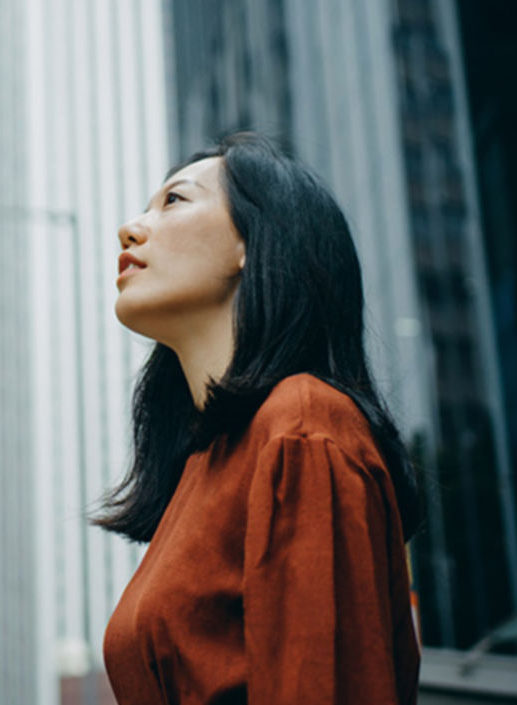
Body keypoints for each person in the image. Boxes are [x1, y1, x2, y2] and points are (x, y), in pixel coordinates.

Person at [98, 133, 424, 704]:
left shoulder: (303, 425)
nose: (131, 228)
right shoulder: (201, 467)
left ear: (253, 241)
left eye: (173, 201)